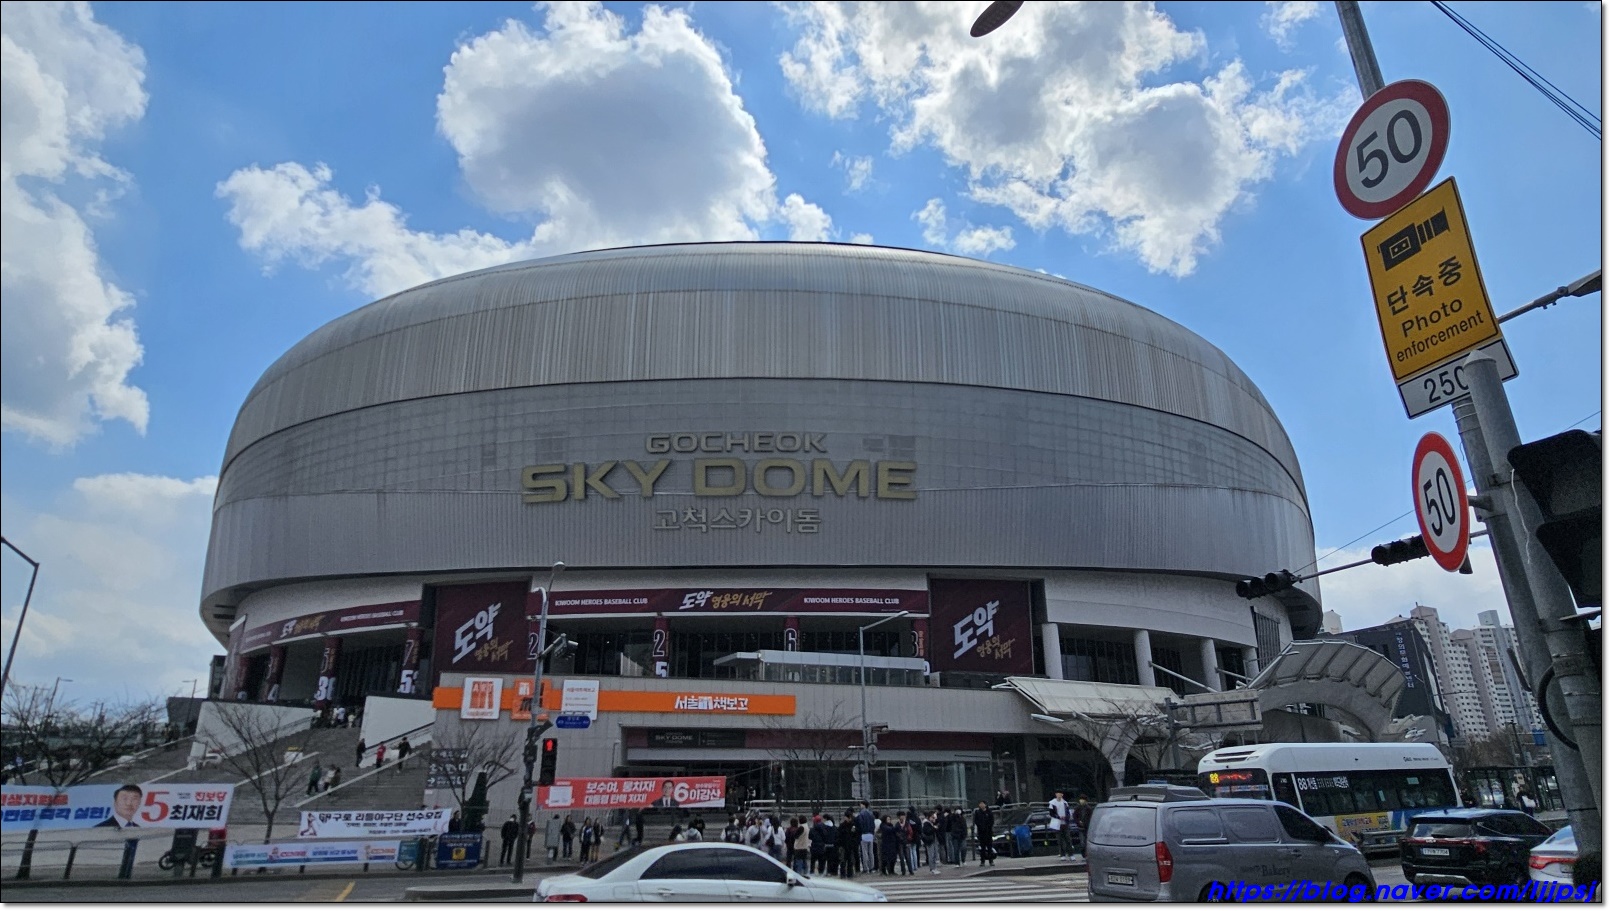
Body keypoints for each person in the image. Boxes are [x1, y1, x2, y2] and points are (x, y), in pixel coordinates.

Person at [1048, 790, 1073, 860]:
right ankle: (1062, 854)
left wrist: (1066, 817)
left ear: (1062, 795)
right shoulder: (1052, 803)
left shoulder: (1065, 803)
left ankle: (1071, 854)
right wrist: (1058, 817)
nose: (1059, 795)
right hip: (1057, 824)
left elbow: (1068, 812)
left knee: (1068, 839)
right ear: (1056, 794)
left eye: (1060, 794)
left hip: (1065, 823)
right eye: (1057, 794)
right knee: (1060, 840)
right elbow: (1051, 813)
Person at [856, 801, 876, 876]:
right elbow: (873, 825)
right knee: (871, 852)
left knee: (864, 852)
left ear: (864, 805)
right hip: (870, 834)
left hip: (864, 834)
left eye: (861, 804)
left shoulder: (861, 814)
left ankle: (865, 868)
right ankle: (871, 867)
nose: (860, 805)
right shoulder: (871, 814)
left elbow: (860, 824)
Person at [837, 810, 858, 878]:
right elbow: (839, 835)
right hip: (843, 845)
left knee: (850, 861)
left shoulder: (853, 825)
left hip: (850, 845)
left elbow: (855, 835)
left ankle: (850, 874)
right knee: (843, 860)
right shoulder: (842, 826)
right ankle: (843, 874)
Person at [972, 801, 995, 867]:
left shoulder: (989, 812)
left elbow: (992, 821)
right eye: (980, 804)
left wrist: (988, 826)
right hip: (981, 832)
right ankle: (982, 861)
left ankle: (991, 860)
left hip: (988, 832)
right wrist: (980, 826)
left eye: (983, 804)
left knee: (989, 847)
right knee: (982, 847)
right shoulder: (978, 812)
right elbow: (976, 821)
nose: (981, 805)